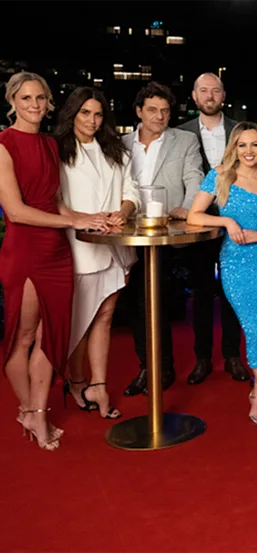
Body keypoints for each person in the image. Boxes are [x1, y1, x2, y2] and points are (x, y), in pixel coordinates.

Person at [0, 72, 109, 450]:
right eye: (26, 98)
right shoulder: (3, 144)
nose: (34, 105)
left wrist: (85, 219)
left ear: (48, 103)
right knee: (24, 337)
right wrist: (72, 220)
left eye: (40, 98)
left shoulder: (49, 144)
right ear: (12, 101)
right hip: (25, 251)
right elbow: (15, 211)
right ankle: (31, 410)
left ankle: (38, 411)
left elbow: (55, 200)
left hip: (57, 251)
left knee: (52, 339)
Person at [187, 122, 257, 437]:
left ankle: (256, 394)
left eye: (255, 145)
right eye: (242, 145)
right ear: (234, 148)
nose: (249, 151)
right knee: (255, 327)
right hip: (235, 265)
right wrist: (226, 220)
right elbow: (194, 215)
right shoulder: (220, 176)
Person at [56, 87, 140, 419]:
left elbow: (131, 189)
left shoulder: (115, 150)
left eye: (98, 114)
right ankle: (76, 381)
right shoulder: (59, 150)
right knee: (81, 319)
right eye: (85, 113)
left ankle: (99, 384)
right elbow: (54, 198)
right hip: (79, 244)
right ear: (72, 114)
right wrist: (83, 220)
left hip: (115, 245)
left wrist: (124, 211)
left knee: (104, 317)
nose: (92, 120)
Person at [120, 82, 204, 396]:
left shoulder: (185, 140)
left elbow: (195, 177)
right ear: (139, 111)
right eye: (153, 110)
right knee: (136, 304)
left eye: (165, 110)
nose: (160, 116)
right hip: (127, 235)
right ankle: (149, 364)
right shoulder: (121, 143)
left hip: (167, 235)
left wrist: (190, 208)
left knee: (155, 300)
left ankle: (160, 368)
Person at [178, 72, 248, 385]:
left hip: (237, 223)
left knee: (233, 291)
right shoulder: (180, 134)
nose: (209, 95)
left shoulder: (240, 130)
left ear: (223, 95)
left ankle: (233, 355)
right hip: (199, 222)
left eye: (215, 90)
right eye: (203, 90)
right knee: (202, 292)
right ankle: (202, 358)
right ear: (194, 96)